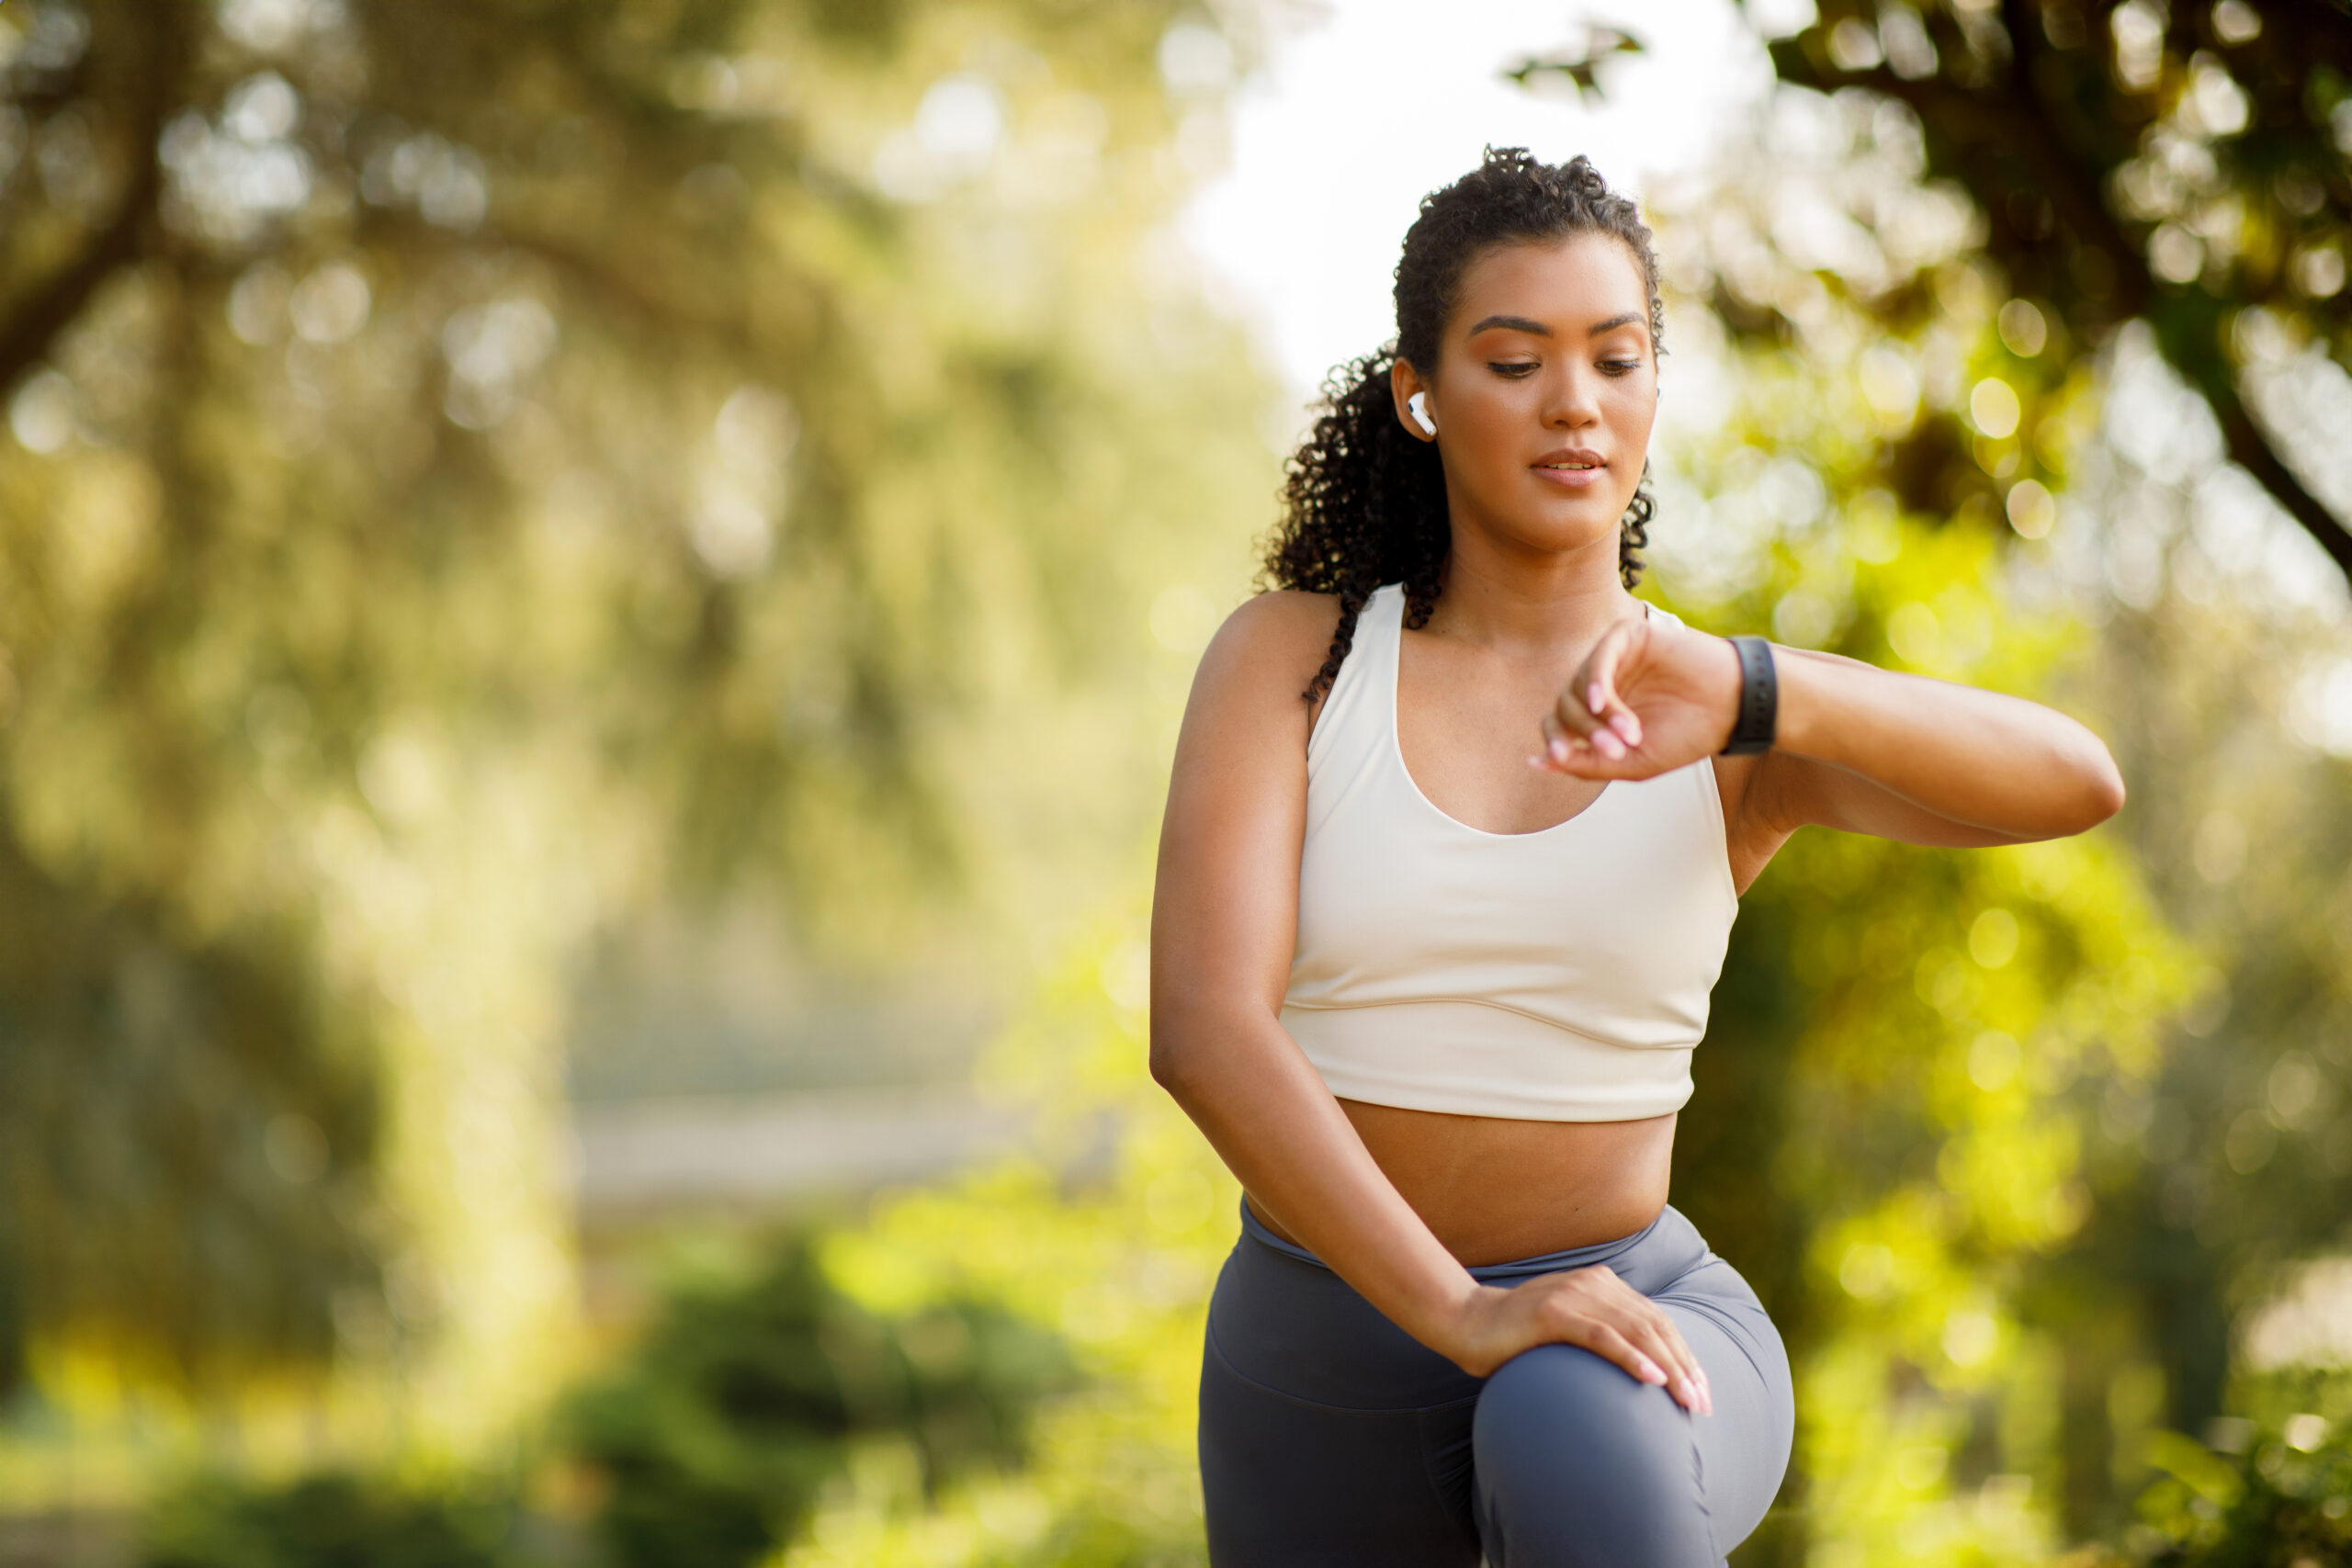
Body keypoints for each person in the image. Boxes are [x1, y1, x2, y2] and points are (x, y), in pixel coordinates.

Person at [1147, 148, 2126, 1568]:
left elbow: (2075, 782)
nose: (1574, 404)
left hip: (1628, 1325)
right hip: (1319, 1356)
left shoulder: (1712, 712)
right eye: (1515, 359)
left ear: (1656, 387)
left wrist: (1760, 689)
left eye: (1617, 358)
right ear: (1419, 394)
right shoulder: (1296, 662)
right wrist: (1462, 1310)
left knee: (1570, 1414)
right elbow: (1205, 1029)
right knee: (1528, 1379)